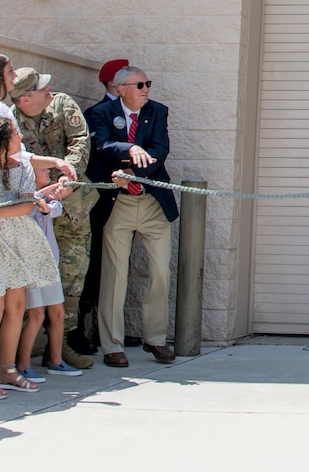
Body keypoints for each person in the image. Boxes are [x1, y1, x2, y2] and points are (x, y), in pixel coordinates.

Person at [0, 116, 60, 400]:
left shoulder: (22, 169)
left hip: (17, 242)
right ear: (3, 141)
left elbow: (28, 203)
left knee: (16, 306)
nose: (20, 138)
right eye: (16, 133)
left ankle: (7, 368)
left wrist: (3, 213)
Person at [90, 64, 181, 367]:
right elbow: (101, 145)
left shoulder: (157, 111)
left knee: (160, 271)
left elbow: (160, 149)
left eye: (147, 84)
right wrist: (130, 148)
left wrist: (131, 171)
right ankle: (111, 344)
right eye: (139, 85)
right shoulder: (101, 113)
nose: (146, 90)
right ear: (120, 89)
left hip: (151, 201)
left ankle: (155, 339)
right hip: (119, 205)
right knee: (115, 273)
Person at [10, 67, 94, 372]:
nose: (49, 90)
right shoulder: (10, 121)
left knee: (73, 276)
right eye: (41, 89)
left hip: (72, 208)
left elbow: (80, 142)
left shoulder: (62, 104)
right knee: (28, 281)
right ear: (23, 99)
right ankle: (19, 353)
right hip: (32, 213)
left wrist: (67, 176)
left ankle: (63, 345)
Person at [72, 57, 130, 355]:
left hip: (130, 196)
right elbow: (101, 149)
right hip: (103, 195)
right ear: (113, 84)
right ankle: (83, 328)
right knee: (92, 262)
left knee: (119, 263)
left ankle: (112, 326)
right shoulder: (96, 113)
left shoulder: (137, 112)